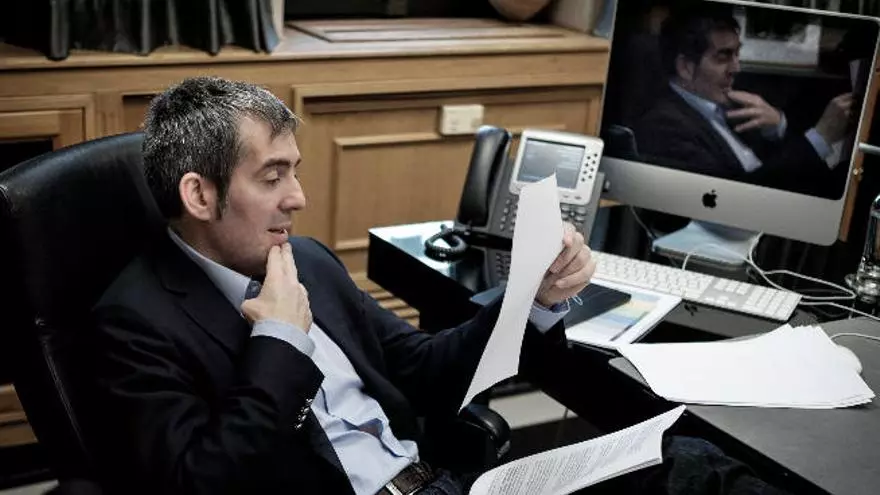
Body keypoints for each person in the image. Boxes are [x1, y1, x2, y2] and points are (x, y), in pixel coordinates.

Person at [91, 76, 790, 495]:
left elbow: (423, 369)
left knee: (691, 463)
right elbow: (202, 480)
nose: (298, 197)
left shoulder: (308, 261)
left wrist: (534, 299)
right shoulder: (133, 322)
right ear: (200, 194)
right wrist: (277, 342)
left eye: (294, 171)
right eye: (273, 177)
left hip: (449, 484)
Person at [632, 8, 853, 197]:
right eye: (723, 56)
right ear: (685, 67)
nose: (736, 68)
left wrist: (778, 126)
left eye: (737, 54)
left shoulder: (729, 102)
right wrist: (820, 138)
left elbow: (772, 165)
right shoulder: (663, 126)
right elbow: (733, 198)